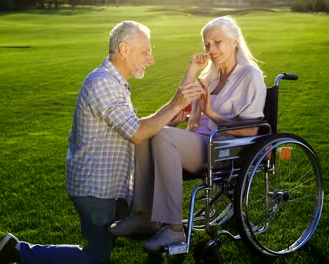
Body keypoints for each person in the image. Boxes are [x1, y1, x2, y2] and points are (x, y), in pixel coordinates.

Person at [0, 20, 203, 264]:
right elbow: (137, 132)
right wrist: (174, 104)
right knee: (96, 257)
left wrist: (167, 125)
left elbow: (134, 127)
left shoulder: (114, 82)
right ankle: (17, 251)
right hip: (96, 189)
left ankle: (159, 235)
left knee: (150, 220)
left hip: (111, 187)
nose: (151, 59)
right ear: (124, 49)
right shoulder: (102, 83)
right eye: (146, 51)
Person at [109, 15, 267, 253]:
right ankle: (145, 216)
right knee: (147, 133)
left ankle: (174, 230)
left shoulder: (250, 75)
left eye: (217, 42)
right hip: (201, 143)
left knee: (162, 135)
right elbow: (191, 122)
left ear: (234, 42)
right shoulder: (209, 77)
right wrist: (193, 70)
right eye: (207, 44)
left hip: (224, 149)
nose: (211, 49)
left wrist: (211, 112)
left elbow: (252, 129)